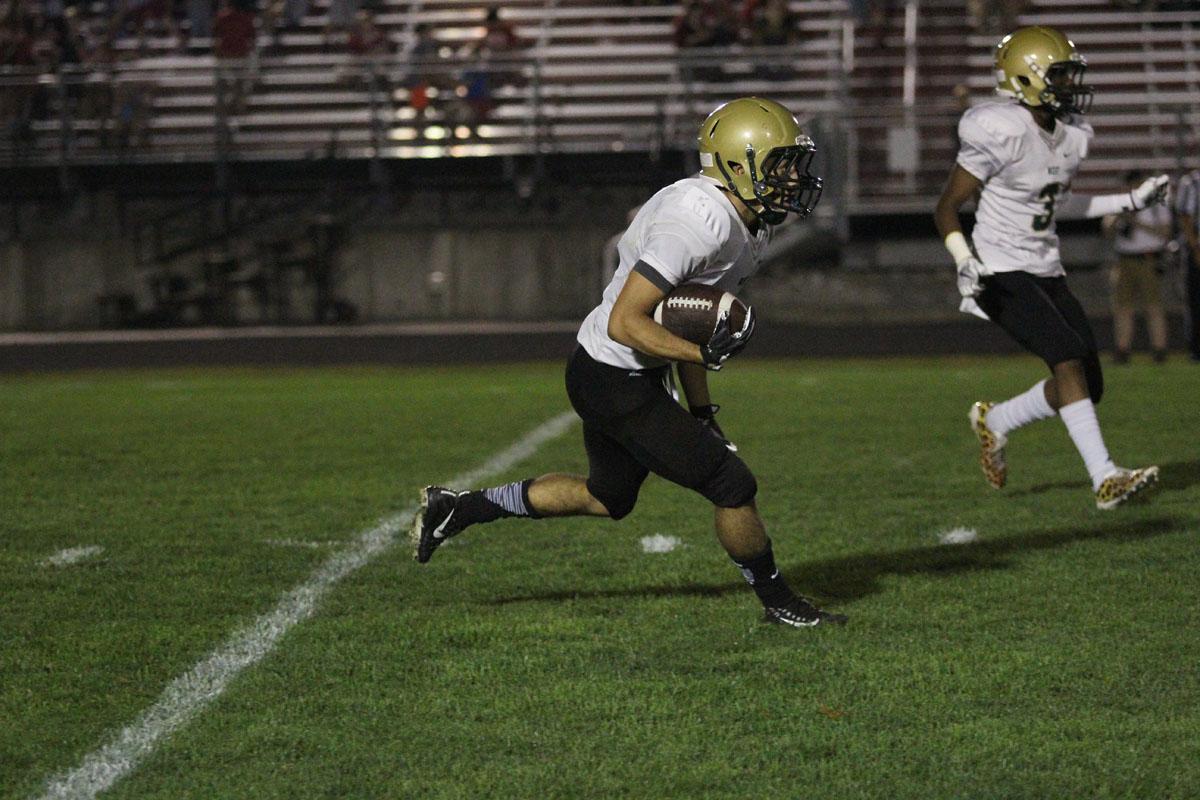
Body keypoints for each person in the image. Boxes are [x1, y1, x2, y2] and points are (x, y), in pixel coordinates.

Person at [410, 97, 844, 629]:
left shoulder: (745, 219)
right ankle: (780, 602)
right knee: (733, 486)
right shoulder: (701, 221)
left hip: (616, 372)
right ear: (737, 164)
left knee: (607, 498)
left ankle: (461, 507)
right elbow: (627, 322)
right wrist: (701, 354)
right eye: (780, 164)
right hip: (613, 376)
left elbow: (684, 319)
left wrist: (703, 410)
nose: (792, 177)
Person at [934, 25, 1168, 510]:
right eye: (1059, 75)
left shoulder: (1070, 135)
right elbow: (946, 207)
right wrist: (964, 261)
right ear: (1027, 78)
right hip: (997, 270)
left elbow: (1054, 203)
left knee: (1088, 382)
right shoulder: (1001, 129)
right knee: (1065, 357)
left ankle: (996, 421)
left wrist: (1129, 200)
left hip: (1044, 265)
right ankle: (1105, 478)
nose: (1069, 85)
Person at [1102, 169, 1171, 363]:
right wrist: (1118, 216)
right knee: (1123, 307)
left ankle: (1159, 350)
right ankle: (1122, 350)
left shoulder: (1156, 204)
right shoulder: (1121, 204)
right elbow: (1106, 230)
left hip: (1148, 258)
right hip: (1124, 259)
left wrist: (1136, 223)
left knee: (1153, 306)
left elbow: (1165, 233)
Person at [1176, 168, 1200, 362]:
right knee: (1196, 301)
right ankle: (1196, 349)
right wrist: (1196, 249)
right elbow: (1185, 217)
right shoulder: (1191, 182)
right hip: (1196, 250)